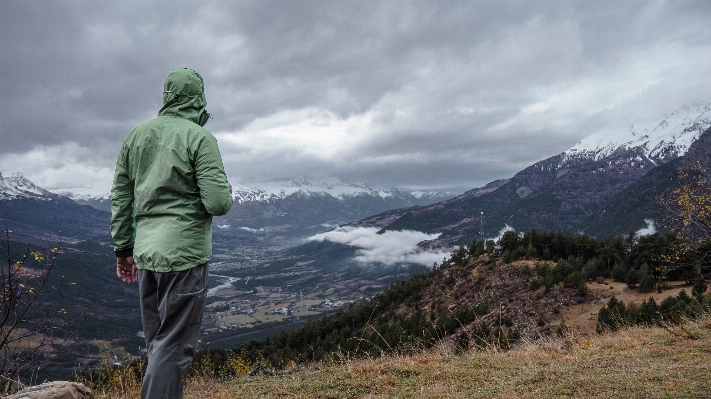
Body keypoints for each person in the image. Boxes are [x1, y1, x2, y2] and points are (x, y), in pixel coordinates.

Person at [110, 68, 233, 399]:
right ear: (199, 97)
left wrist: (123, 250)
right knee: (173, 349)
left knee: (159, 345)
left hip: (146, 255)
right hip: (183, 256)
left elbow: (121, 198)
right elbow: (218, 203)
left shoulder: (135, 137)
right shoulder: (198, 137)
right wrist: (227, 190)